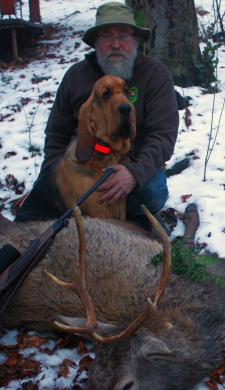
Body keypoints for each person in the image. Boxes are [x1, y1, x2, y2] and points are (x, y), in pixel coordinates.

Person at [15, 2, 180, 230]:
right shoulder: (75, 77)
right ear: (95, 43)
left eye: (123, 36)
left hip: (136, 168)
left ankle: (137, 218)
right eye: (106, 37)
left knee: (152, 192)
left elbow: (163, 135)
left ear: (135, 40)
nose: (115, 45)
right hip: (86, 167)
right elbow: (56, 135)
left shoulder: (156, 75)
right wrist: (49, 186)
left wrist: (135, 173)